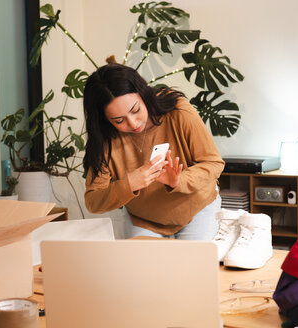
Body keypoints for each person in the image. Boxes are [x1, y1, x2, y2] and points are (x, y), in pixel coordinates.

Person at [83, 63, 225, 240]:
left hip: (196, 207)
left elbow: (213, 163)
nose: (133, 123)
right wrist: (130, 184)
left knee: (191, 264)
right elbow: (93, 201)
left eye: (136, 110)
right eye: (119, 120)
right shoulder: (105, 139)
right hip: (143, 219)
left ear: (143, 94)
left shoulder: (177, 110)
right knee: (143, 266)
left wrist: (178, 180)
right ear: (104, 119)